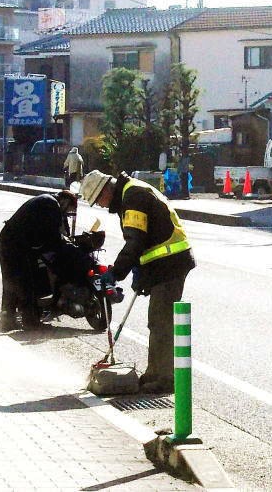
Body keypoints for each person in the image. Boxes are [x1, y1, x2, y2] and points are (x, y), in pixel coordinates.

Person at [79, 169, 196, 394]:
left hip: (171, 264)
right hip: (163, 263)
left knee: (160, 321)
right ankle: (155, 373)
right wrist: (141, 272)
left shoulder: (132, 198)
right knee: (157, 321)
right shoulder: (130, 193)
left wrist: (115, 273)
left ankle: (164, 379)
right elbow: (144, 239)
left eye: (99, 200)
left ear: (105, 190)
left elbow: (135, 242)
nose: (102, 206)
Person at [0, 191, 80, 331]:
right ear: (65, 201)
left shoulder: (48, 201)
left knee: (11, 281)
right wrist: (70, 248)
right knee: (26, 281)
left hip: (13, 240)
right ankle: (29, 321)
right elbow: (55, 235)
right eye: (69, 209)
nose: (67, 212)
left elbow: (55, 230)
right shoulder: (51, 204)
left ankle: (8, 320)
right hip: (16, 243)